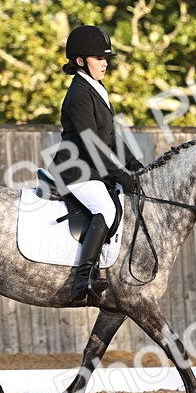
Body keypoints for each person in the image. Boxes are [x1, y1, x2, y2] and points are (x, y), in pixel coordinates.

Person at [50, 24, 144, 304]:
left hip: (93, 170)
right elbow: (93, 143)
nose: (105, 64)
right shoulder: (79, 95)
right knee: (105, 207)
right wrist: (120, 175)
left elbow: (112, 136)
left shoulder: (96, 89)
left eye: (106, 59)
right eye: (99, 58)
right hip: (75, 171)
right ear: (80, 61)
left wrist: (135, 165)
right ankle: (83, 278)